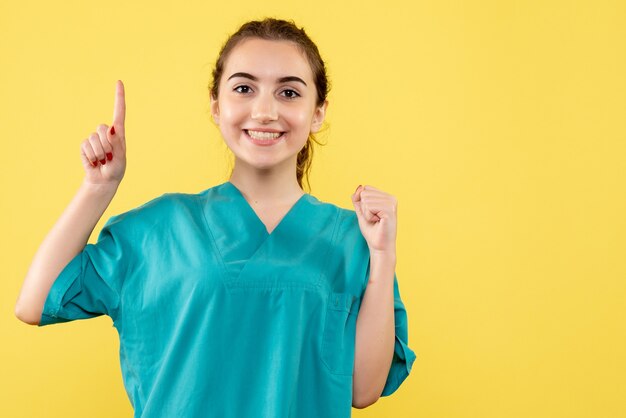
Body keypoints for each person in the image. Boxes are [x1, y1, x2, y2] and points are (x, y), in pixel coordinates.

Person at [15, 17, 416, 418]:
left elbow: (364, 389)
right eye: (244, 88)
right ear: (215, 105)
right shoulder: (160, 227)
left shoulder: (352, 240)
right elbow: (36, 303)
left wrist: (383, 256)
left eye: (289, 92)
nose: (264, 111)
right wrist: (98, 187)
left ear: (317, 113)